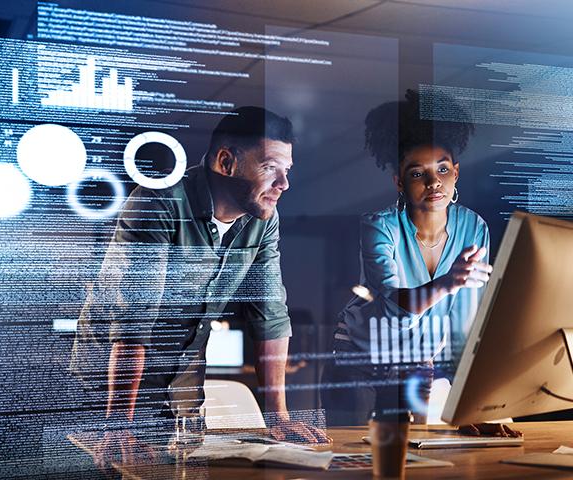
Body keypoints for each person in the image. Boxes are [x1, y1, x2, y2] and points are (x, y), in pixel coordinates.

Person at [70, 106, 329, 461]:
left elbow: (269, 315)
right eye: (270, 168)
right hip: (108, 395)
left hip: (182, 395)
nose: (283, 184)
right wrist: (118, 425)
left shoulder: (263, 219)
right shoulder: (158, 200)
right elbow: (134, 323)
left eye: (287, 170)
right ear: (226, 161)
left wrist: (277, 417)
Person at [321, 90, 519, 436]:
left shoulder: (473, 228)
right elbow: (394, 309)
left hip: (418, 363)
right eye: (417, 174)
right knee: (353, 454)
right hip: (360, 357)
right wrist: (446, 283)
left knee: (415, 454)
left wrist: (472, 404)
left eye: (443, 169)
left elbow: (464, 323)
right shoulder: (379, 226)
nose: (433, 182)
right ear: (399, 182)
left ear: (456, 173)